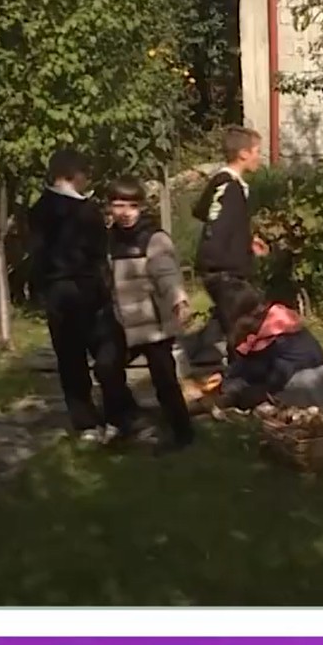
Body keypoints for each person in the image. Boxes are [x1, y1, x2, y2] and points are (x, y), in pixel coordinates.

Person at [28, 148, 138, 443]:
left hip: (57, 293)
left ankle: (85, 422)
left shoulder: (38, 210)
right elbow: (99, 254)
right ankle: (118, 414)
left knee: (70, 358)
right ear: (74, 175)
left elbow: (36, 256)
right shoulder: (86, 211)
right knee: (108, 352)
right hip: (88, 289)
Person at [107, 176, 196, 454]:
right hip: (122, 323)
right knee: (107, 369)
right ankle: (128, 422)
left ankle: (183, 433)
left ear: (141, 207)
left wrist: (179, 301)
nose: (125, 212)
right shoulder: (109, 239)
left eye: (131, 206)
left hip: (153, 325)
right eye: (118, 205)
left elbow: (167, 275)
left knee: (164, 380)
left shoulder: (154, 238)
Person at [193, 126, 269, 355]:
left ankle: (200, 350)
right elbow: (218, 222)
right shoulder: (229, 186)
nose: (259, 157)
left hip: (222, 270)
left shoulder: (223, 183)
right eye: (257, 151)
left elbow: (204, 212)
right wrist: (220, 266)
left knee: (233, 324)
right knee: (242, 332)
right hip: (225, 272)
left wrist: (246, 239)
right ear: (243, 153)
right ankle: (237, 374)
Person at [218, 287, 323, 412]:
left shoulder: (272, 337)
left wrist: (235, 386)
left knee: (249, 393)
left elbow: (273, 375)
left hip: (304, 385)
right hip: (322, 381)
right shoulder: (279, 320)